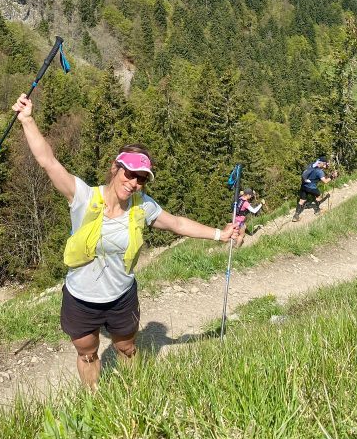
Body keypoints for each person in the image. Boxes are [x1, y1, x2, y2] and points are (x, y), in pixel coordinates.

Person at [13, 93, 243, 387]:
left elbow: (176, 223)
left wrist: (219, 234)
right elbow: (48, 161)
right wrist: (28, 120)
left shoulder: (142, 206)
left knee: (127, 348)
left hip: (121, 297)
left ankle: (132, 394)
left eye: (142, 178)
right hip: (81, 298)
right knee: (87, 353)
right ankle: (93, 401)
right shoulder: (84, 197)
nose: (134, 182)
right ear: (115, 169)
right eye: (130, 173)